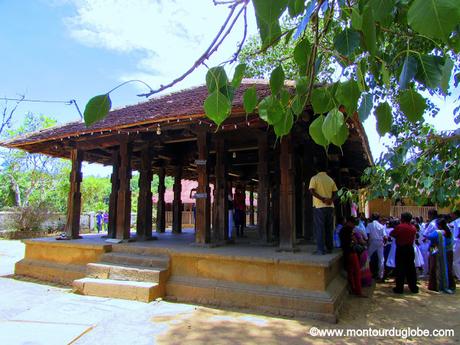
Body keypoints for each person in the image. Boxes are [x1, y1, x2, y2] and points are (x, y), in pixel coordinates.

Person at [309, 159, 338, 255]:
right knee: (329, 227)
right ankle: (329, 248)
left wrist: (322, 199)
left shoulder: (314, 178)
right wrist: (330, 200)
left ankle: (320, 250)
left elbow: (312, 191)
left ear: (316, 169)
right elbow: (336, 193)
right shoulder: (330, 180)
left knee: (320, 228)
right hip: (330, 207)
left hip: (319, 206)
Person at [390, 212, 419, 294]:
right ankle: (413, 288)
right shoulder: (413, 228)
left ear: (402, 218)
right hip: (410, 249)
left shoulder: (399, 227)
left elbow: (392, 234)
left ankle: (399, 288)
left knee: (400, 269)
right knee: (411, 269)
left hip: (401, 249)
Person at [339, 218, 366, 297]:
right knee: (356, 272)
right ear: (349, 222)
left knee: (350, 272)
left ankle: (353, 288)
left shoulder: (342, 230)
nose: (354, 226)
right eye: (353, 224)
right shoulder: (349, 230)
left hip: (346, 252)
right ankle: (358, 291)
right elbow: (356, 241)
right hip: (351, 252)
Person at [367, 213, 387, 282]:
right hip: (380, 242)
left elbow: (368, 234)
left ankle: (367, 273)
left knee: (368, 256)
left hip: (372, 241)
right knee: (381, 259)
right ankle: (380, 275)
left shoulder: (369, 225)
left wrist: (368, 243)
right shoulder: (381, 226)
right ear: (379, 218)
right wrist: (384, 243)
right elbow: (385, 237)